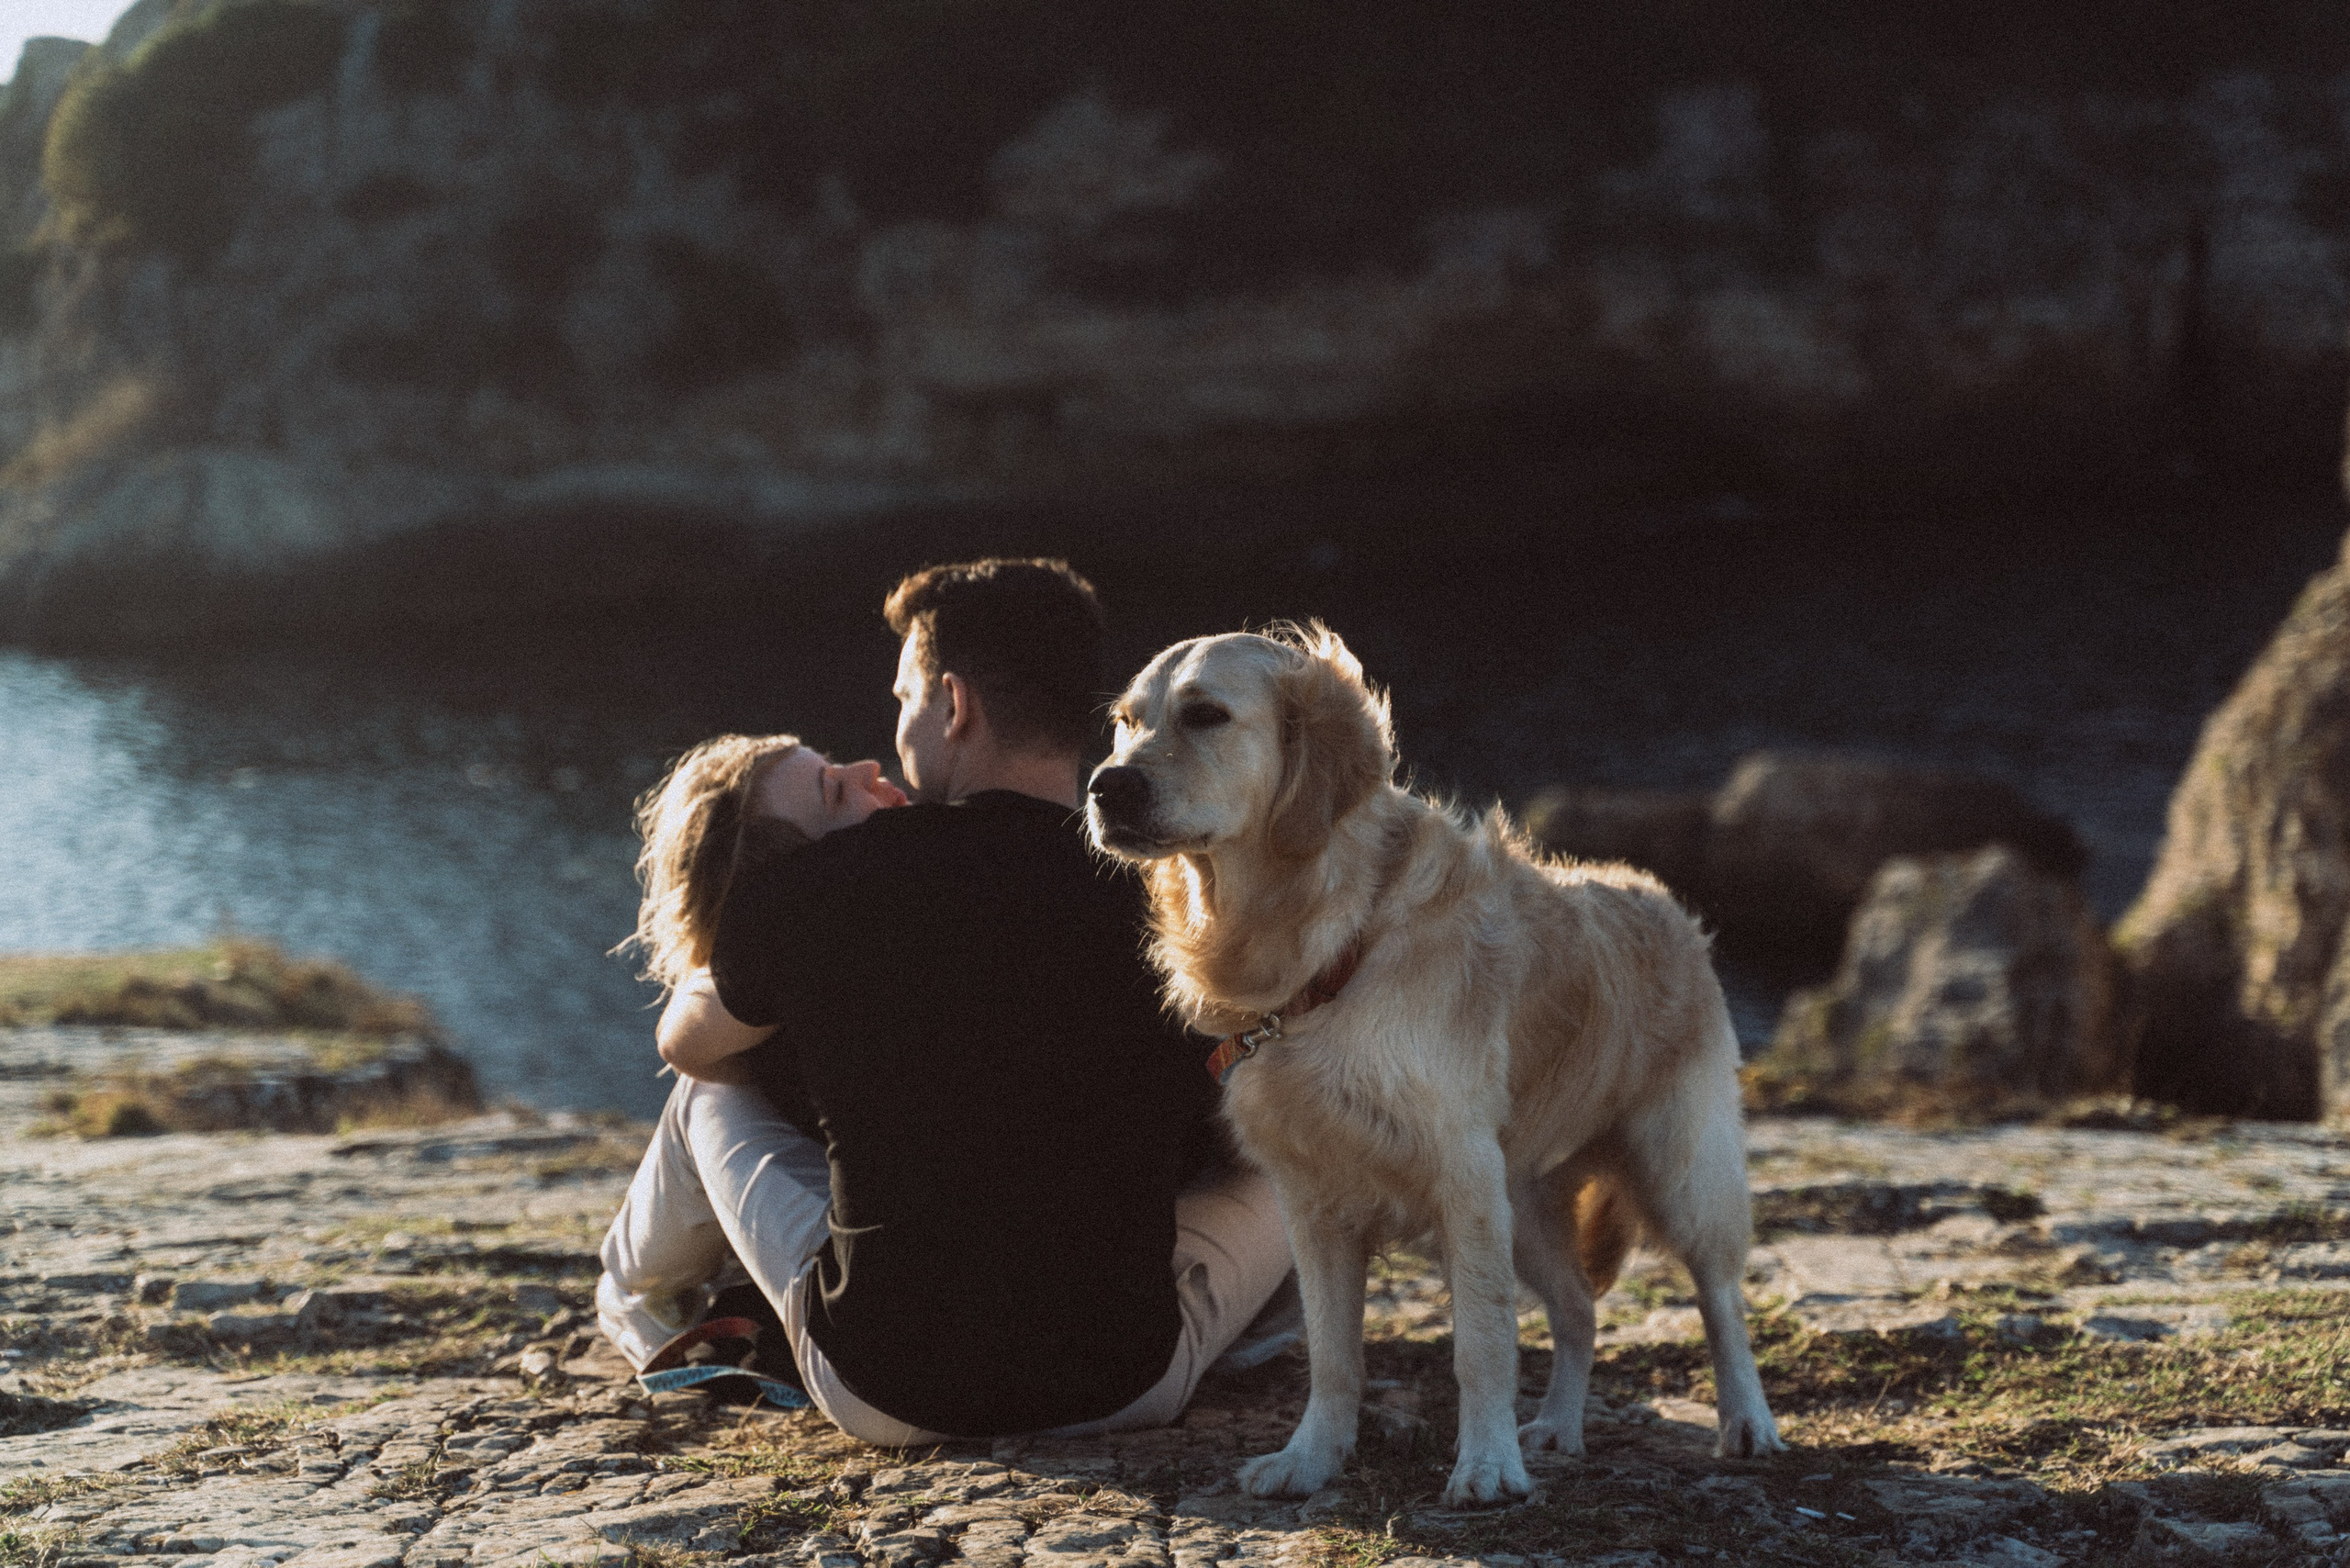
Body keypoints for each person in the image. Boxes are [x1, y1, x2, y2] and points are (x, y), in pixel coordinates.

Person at [596, 557, 1295, 1443]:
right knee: (1288, 1109)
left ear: (953, 704)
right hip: (1124, 1386)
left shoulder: (820, 888)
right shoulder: (1172, 893)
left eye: (904, 699)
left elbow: (689, 1050)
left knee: (710, 1092)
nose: (892, 735)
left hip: (886, 1389)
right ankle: (1259, 1333)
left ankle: (635, 1299)